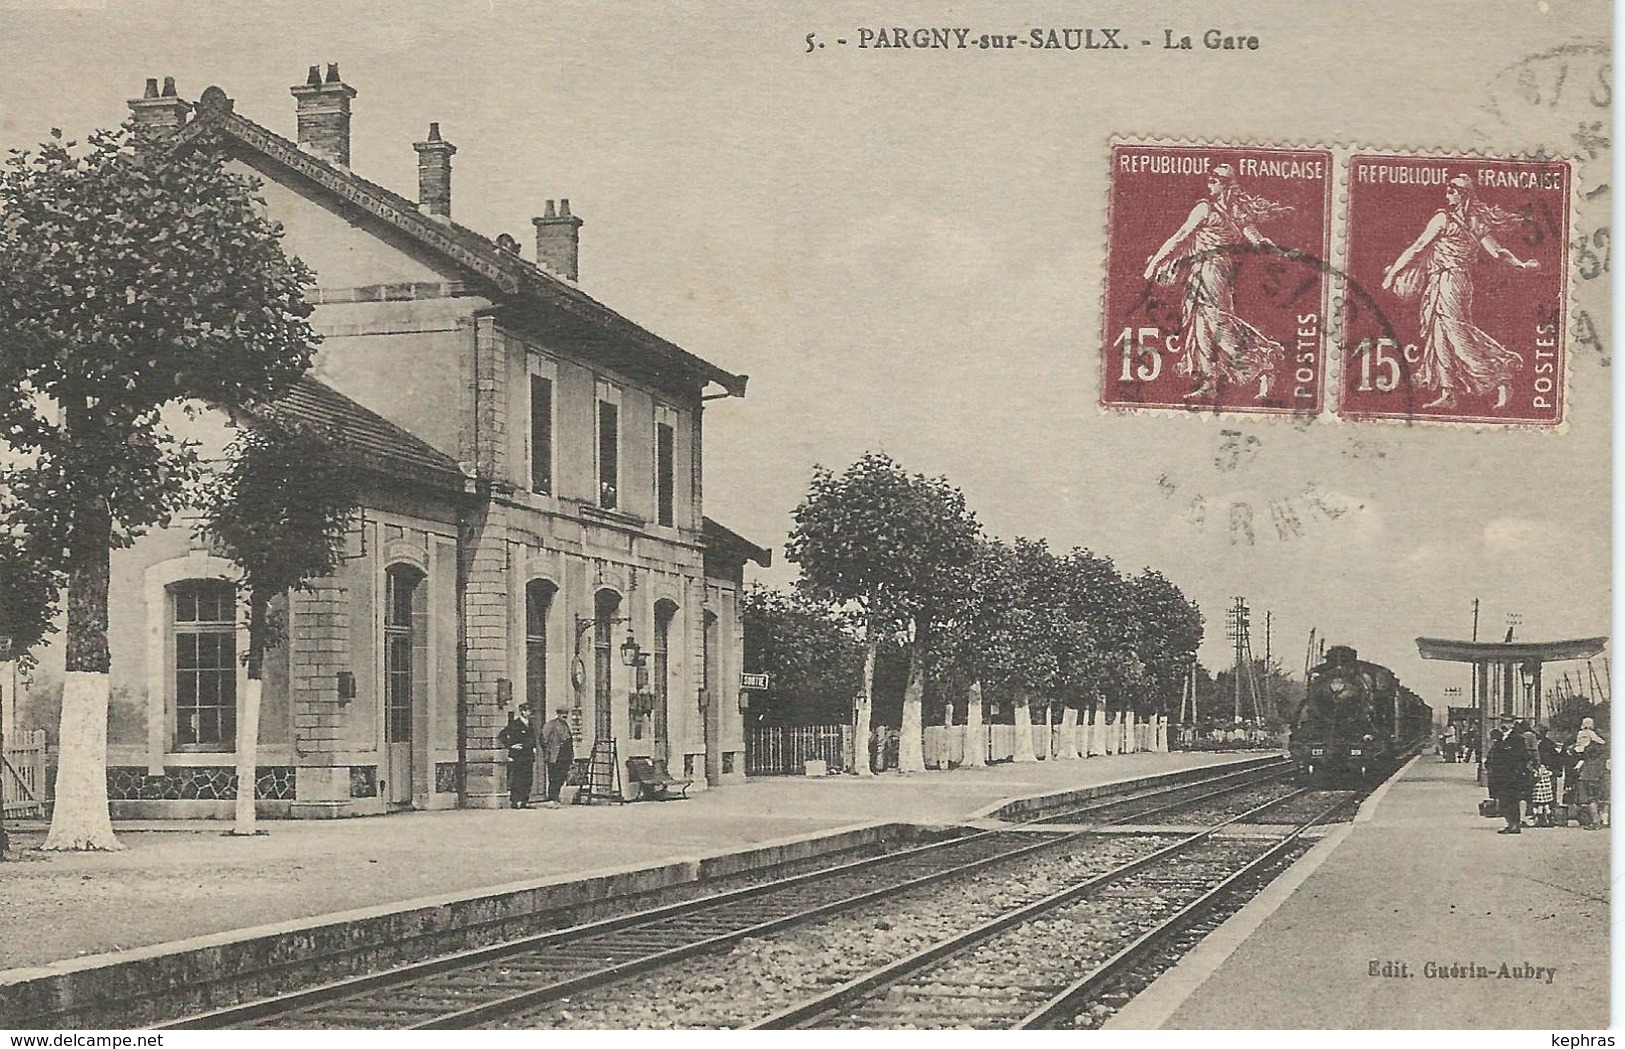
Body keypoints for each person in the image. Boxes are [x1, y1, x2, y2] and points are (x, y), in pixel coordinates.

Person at [1381, 174, 1540, 410]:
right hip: (1447, 281)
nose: (1448, 193)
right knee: (1440, 335)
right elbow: (1499, 252)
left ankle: (1500, 377)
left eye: (1452, 190)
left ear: (1463, 194)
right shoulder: (1473, 222)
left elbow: (1418, 248)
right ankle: (1449, 393)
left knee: (1457, 334)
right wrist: (1521, 264)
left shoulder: (1445, 220)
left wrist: (1392, 274)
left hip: (1450, 281)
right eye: (1448, 189)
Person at [1143, 163, 1293, 401]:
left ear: (1227, 185)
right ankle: (1209, 382)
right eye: (1210, 178)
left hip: (1214, 271)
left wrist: (1154, 264)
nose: (1210, 182)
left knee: (1215, 322)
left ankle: (1262, 362)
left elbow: (1182, 236)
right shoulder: (1217, 209)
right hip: (1202, 271)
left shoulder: (1217, 210)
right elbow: (1183, 237)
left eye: (1216, 179)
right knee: (1200, 324)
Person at [1487, 722, 1529, 834]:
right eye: (1502, 722)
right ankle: (1510, 823)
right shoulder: (1500, 738)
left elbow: (1522, 757)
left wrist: (1517, 772)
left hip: (1512, 776)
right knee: (1504, 800)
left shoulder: (1517, 739)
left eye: (1507, 722)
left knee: (1512, 800)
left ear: (1512, 725)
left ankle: (1515, 824)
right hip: (1500, 776)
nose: (1504, 725)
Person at [498, 703, 537, 808]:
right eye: (527, 710)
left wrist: (534, 748)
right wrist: (511, 746)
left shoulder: (530, 724)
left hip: (528, 755)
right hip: (519, 756)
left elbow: (532, 738)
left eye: (530, 711)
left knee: (528, 779)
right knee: (517, 779)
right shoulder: (515, 724)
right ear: (522, 711)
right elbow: (502, 735)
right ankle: (515, 801)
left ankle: (525, 801)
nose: (529, 713)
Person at [540, 706, 576, 807]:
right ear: (558, 714)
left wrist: (571, 756)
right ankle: (552, 798)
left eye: (566, 714)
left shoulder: (566, 725)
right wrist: (548, 751)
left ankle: (556, 796)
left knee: (562, 776)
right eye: (562, 714)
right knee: (554, 777)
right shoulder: (551, 724)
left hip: (565, 755)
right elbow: (543, 738)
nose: (564, 716)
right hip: (555, 756)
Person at [1576, 740, 1609, 830]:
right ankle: (1604, 821)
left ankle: (1595, 821)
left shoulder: (1587, 757)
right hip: (1599, 777)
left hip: (1586, 777)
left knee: (1590, 800)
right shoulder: (1603, 757)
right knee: (1602, 800)